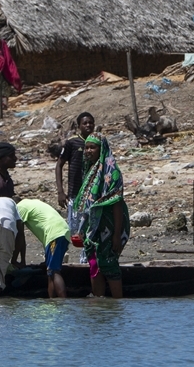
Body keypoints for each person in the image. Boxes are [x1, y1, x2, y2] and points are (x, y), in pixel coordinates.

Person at [70, 134, 129, 298]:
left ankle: (117, 303)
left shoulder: (112, 172)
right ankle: (99, 303)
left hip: (109, 226)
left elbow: (116, 204)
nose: (88, 151)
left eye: (92, 147)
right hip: (92, 229)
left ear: (101, 149)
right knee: (94, 264)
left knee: (108, 263)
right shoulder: (90, 170)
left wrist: (116, 235)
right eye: (86, 147)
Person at [16, 199, 71, 298]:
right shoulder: (31, 203)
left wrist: (14, 260)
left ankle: (63, 304)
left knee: (53, 270)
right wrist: (22, 261)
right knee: (50, 271)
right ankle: (52, 304)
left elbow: (19, 237)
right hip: (63, 231)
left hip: (54, 234)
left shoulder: (19, 208)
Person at [55, 112, 94, 211]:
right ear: (79, 126)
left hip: (94, 192)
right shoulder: (72, 142)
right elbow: (59, 165)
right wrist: (60, 192)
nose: (88, 125)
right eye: (85, 123)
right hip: (75, 193)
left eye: (90, 122)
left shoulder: (99, 142)